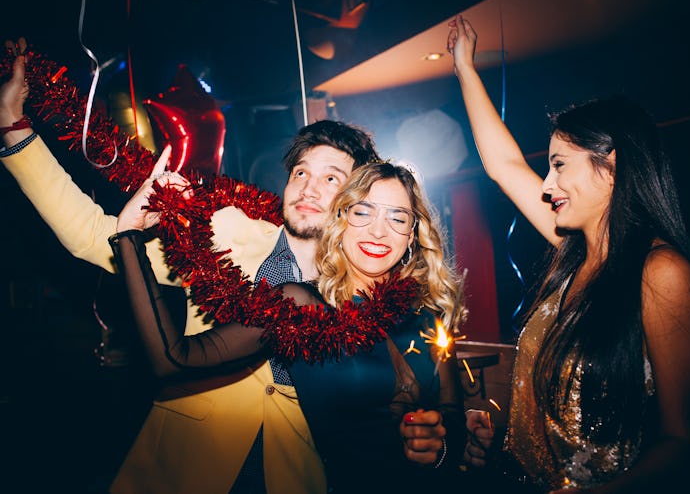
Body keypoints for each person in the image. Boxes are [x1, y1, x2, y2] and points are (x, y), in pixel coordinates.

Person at [0, 39, 380, 493]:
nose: (309, 187)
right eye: (301, 172)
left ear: (355, 200)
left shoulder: (366, 283)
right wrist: (13, 132)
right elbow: (90, 235)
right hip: (184, 469)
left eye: (331, 178)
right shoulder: (225, 231)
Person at [448, 15, 690, 494]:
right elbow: (503, 166)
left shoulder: (661, 272)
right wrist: (465, 68)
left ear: (611, 169)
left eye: (559, 166)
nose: (546, 185)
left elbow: (680, 440)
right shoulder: (572, 256)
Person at [110, 158, 469, 493]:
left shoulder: (428, 317)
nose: (378, 231)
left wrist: (439, 447)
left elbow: (451, 417)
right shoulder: (300, 306)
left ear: (411, 235)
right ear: (340, 221)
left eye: (398, 218)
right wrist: (128, 236)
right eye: (363, 212)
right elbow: (173, 359)